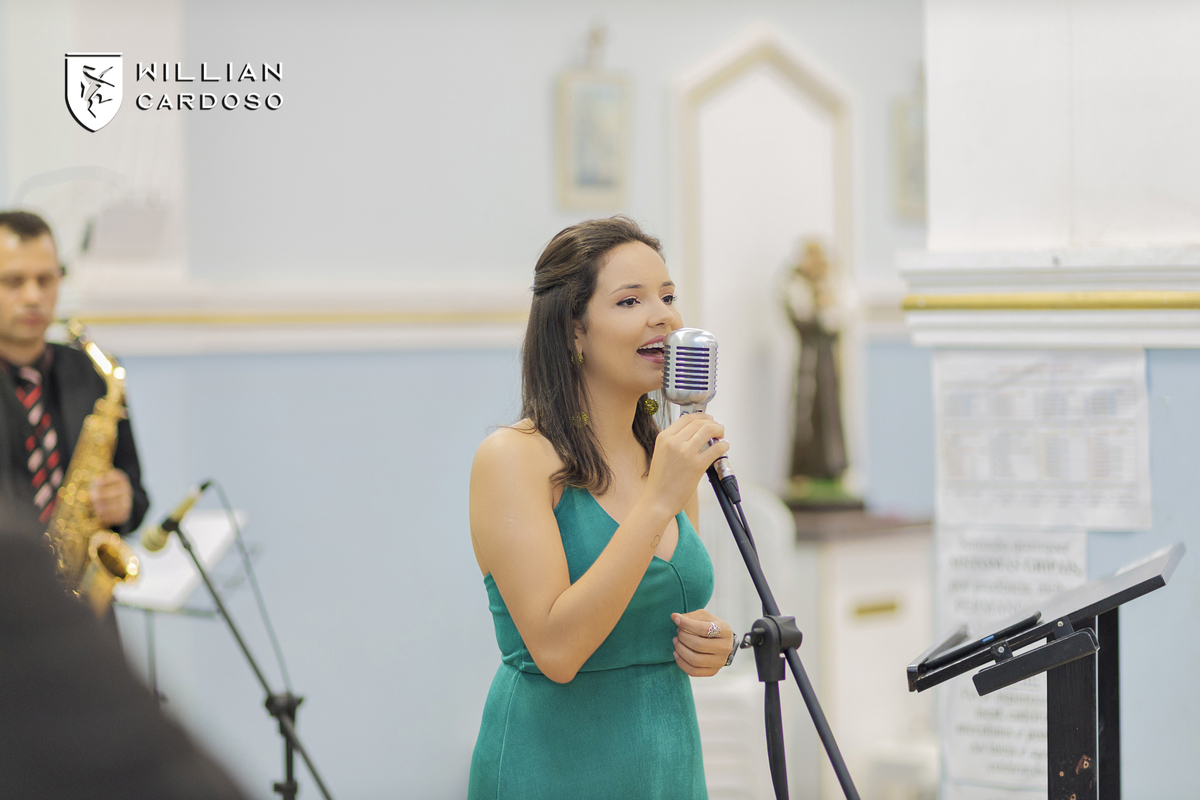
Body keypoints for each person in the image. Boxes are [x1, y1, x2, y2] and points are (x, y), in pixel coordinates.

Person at [468, 216, 737, 799]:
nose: (663, 315)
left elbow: (654, 609)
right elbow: (558, 650)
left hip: (668, 764)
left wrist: (713, 639)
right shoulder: (512, 458)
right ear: (574, 331)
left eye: (668, 296)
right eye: (630, 300)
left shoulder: (664, 456)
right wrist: (659, 499)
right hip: (555, 767)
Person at [0, 209, 148, 542]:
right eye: (13, 281)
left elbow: (137, 497)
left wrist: (123, 502)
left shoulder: (94, 372)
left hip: (77, 588)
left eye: (46, 279)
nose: (33, 297)